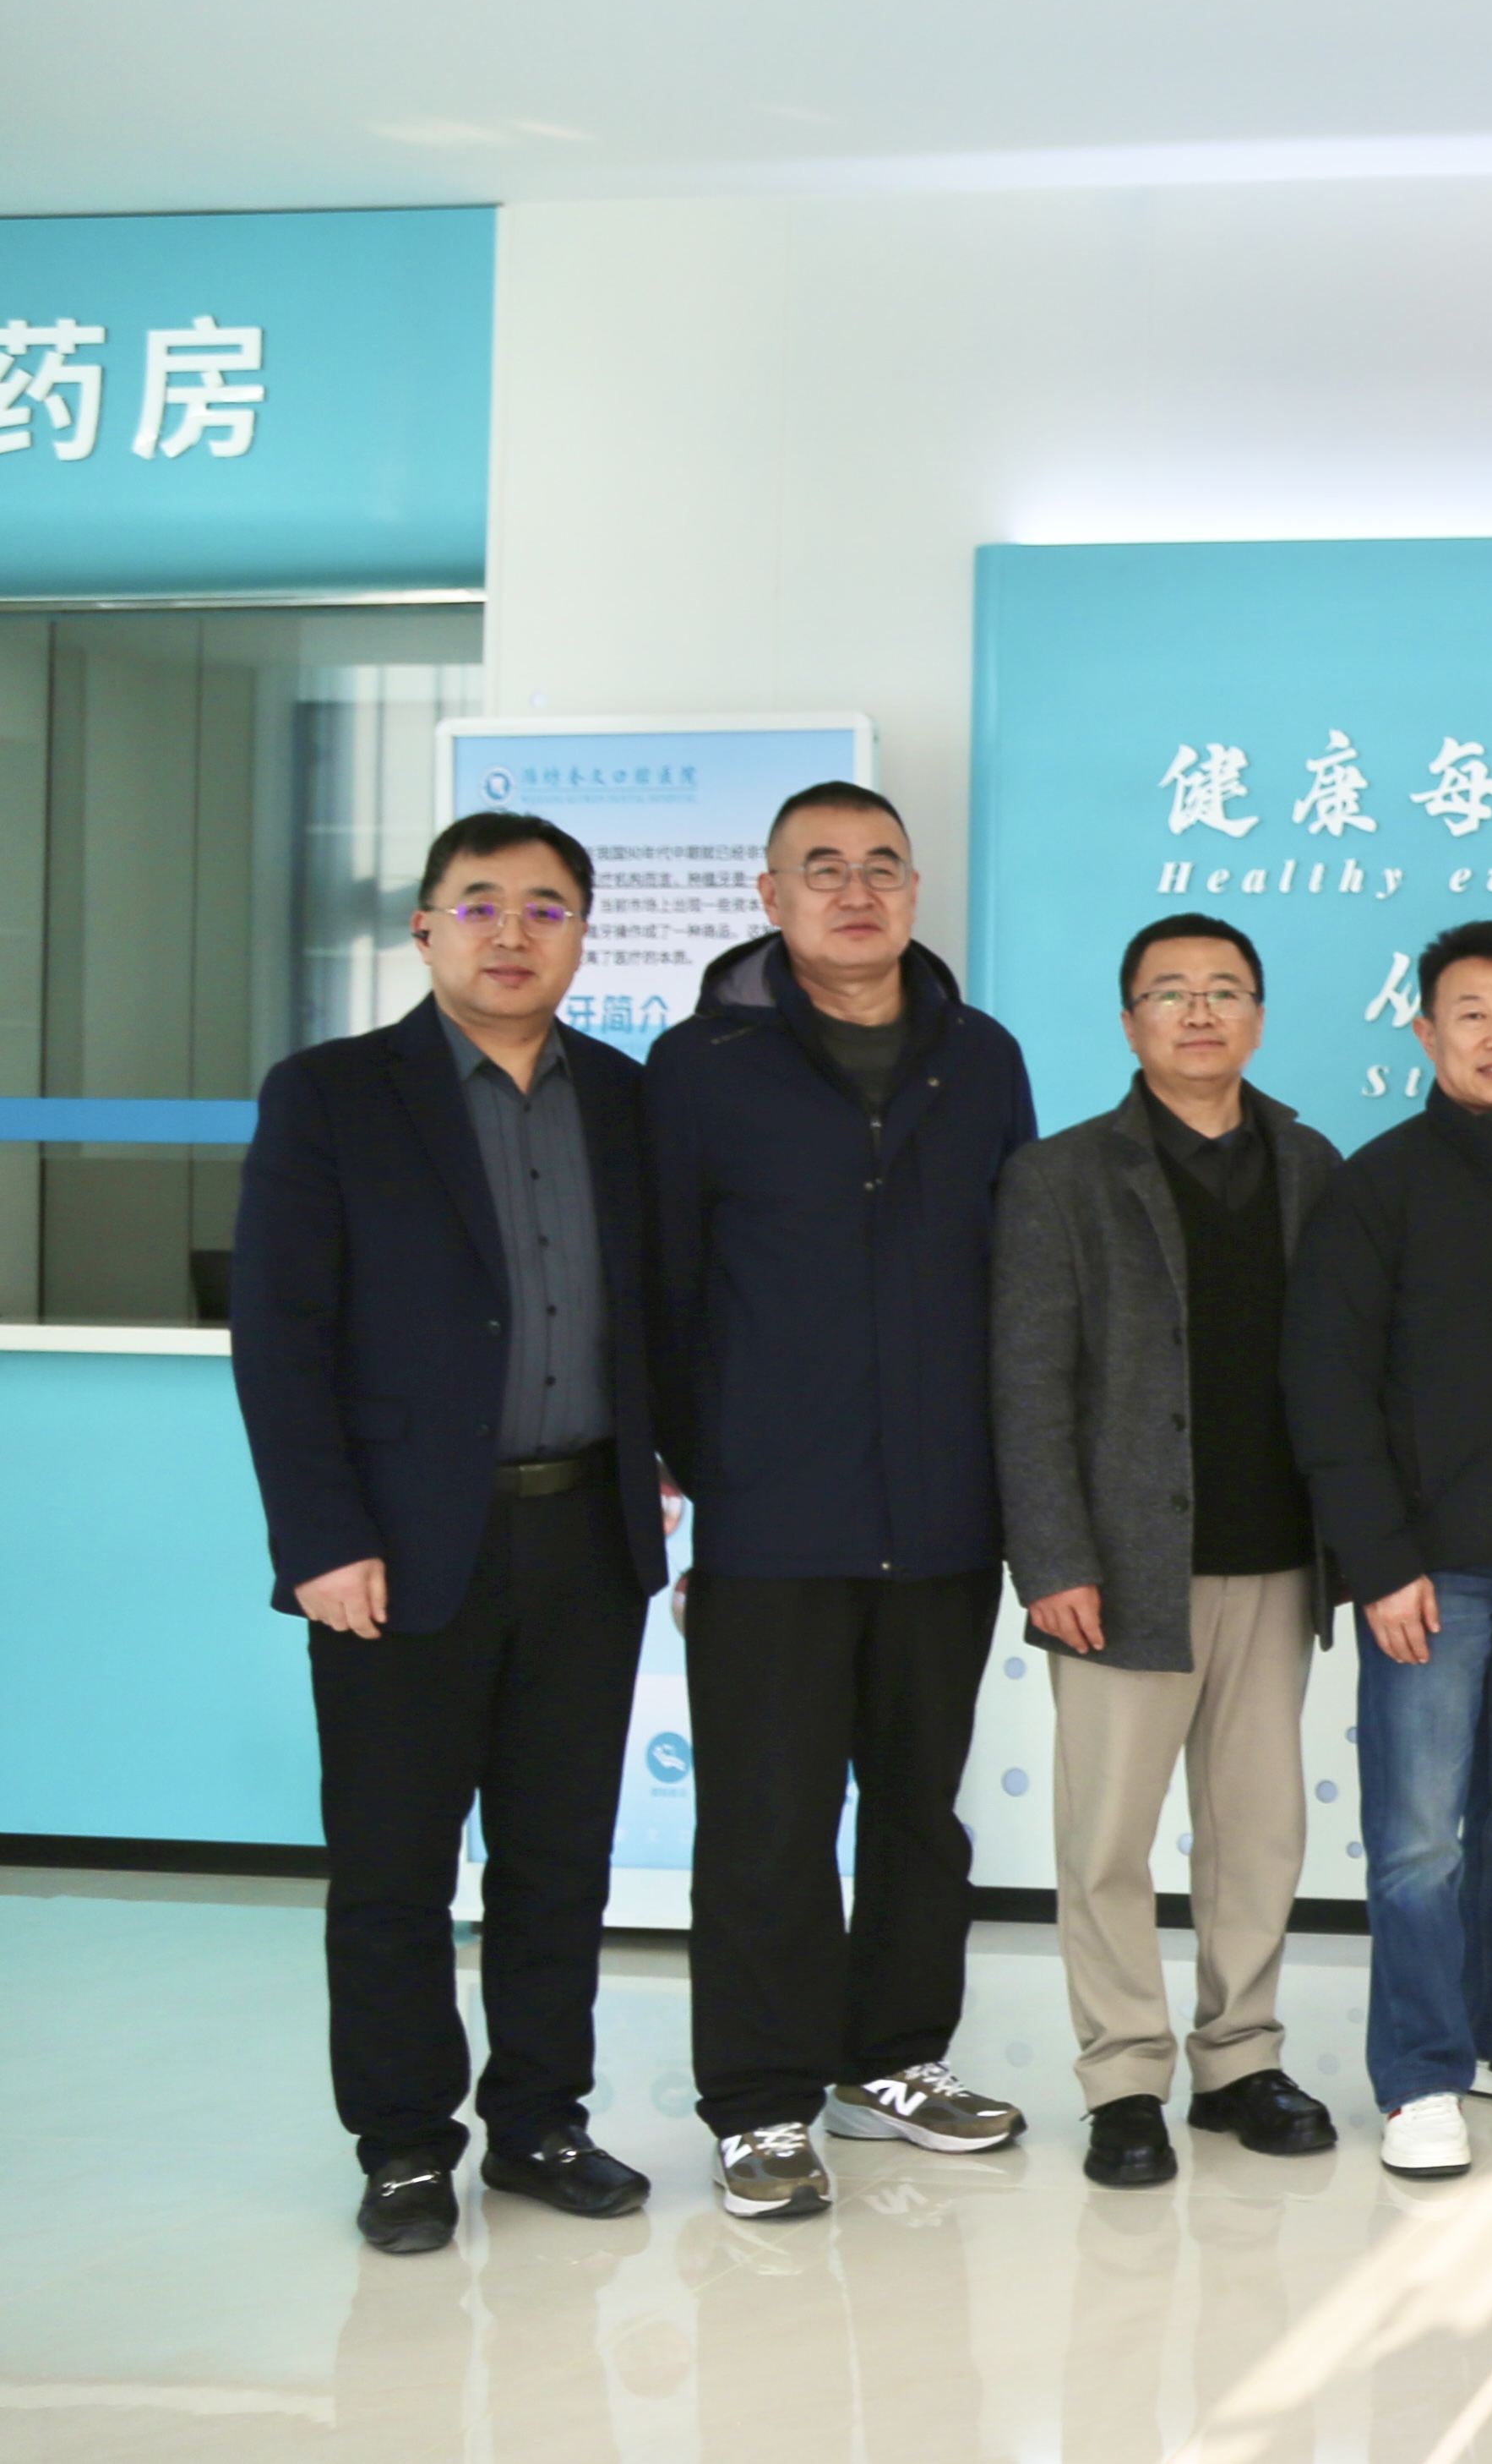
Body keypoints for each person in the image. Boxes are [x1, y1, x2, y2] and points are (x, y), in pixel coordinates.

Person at [233, 811, 668, 2253]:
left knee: (560, 1857)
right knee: (395, 1864)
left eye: (546, 906)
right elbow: (279, 1333)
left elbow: (662, 1308)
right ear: (423, 928)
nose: (511, 930)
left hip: (584, 1533)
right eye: (479, 902)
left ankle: (540, 2119)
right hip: (398, 1547)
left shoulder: (627, 1097)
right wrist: (319, 1536)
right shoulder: (332, 1094)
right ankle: (407, 2142)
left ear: (582, 935)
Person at [648, 781, 1041, 2221]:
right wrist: (699, 1464)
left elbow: (1017, 1281)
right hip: (774, 1513)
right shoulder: (700, 1065)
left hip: (944, 1512)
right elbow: (663, 1283)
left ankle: (893, 2059)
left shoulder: (979, 1056)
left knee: (920, 1811)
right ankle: (759, 2101)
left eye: (882, 865)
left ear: (915, 890)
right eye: (823, 867)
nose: (855, 890)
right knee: (766, 1819)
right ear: (770, 896)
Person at [993, 913, 1348, 2189]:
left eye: (1225, 990)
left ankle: (1240, 2058)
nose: (1200, 1013)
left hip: (1278, 1555)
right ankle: (1125, 2077)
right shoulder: (1062, 1175)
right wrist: (1052, 1558)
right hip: (1122, 1566)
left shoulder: (1311, 1161)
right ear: (1129, 1020)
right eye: (1171, 992)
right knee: (1107, 1841)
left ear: (1258, 1015)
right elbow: (1027, 1383)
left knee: (1258, 1833)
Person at [1287, 918, 1492, 2178]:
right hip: (1430, 1566)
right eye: (1470, 1013)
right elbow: (1329, 1387)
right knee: (1420, 1832)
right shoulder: (1379, 1184)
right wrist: (1378, 1561)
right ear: (1426, 1032)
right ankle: (1419, 2071)